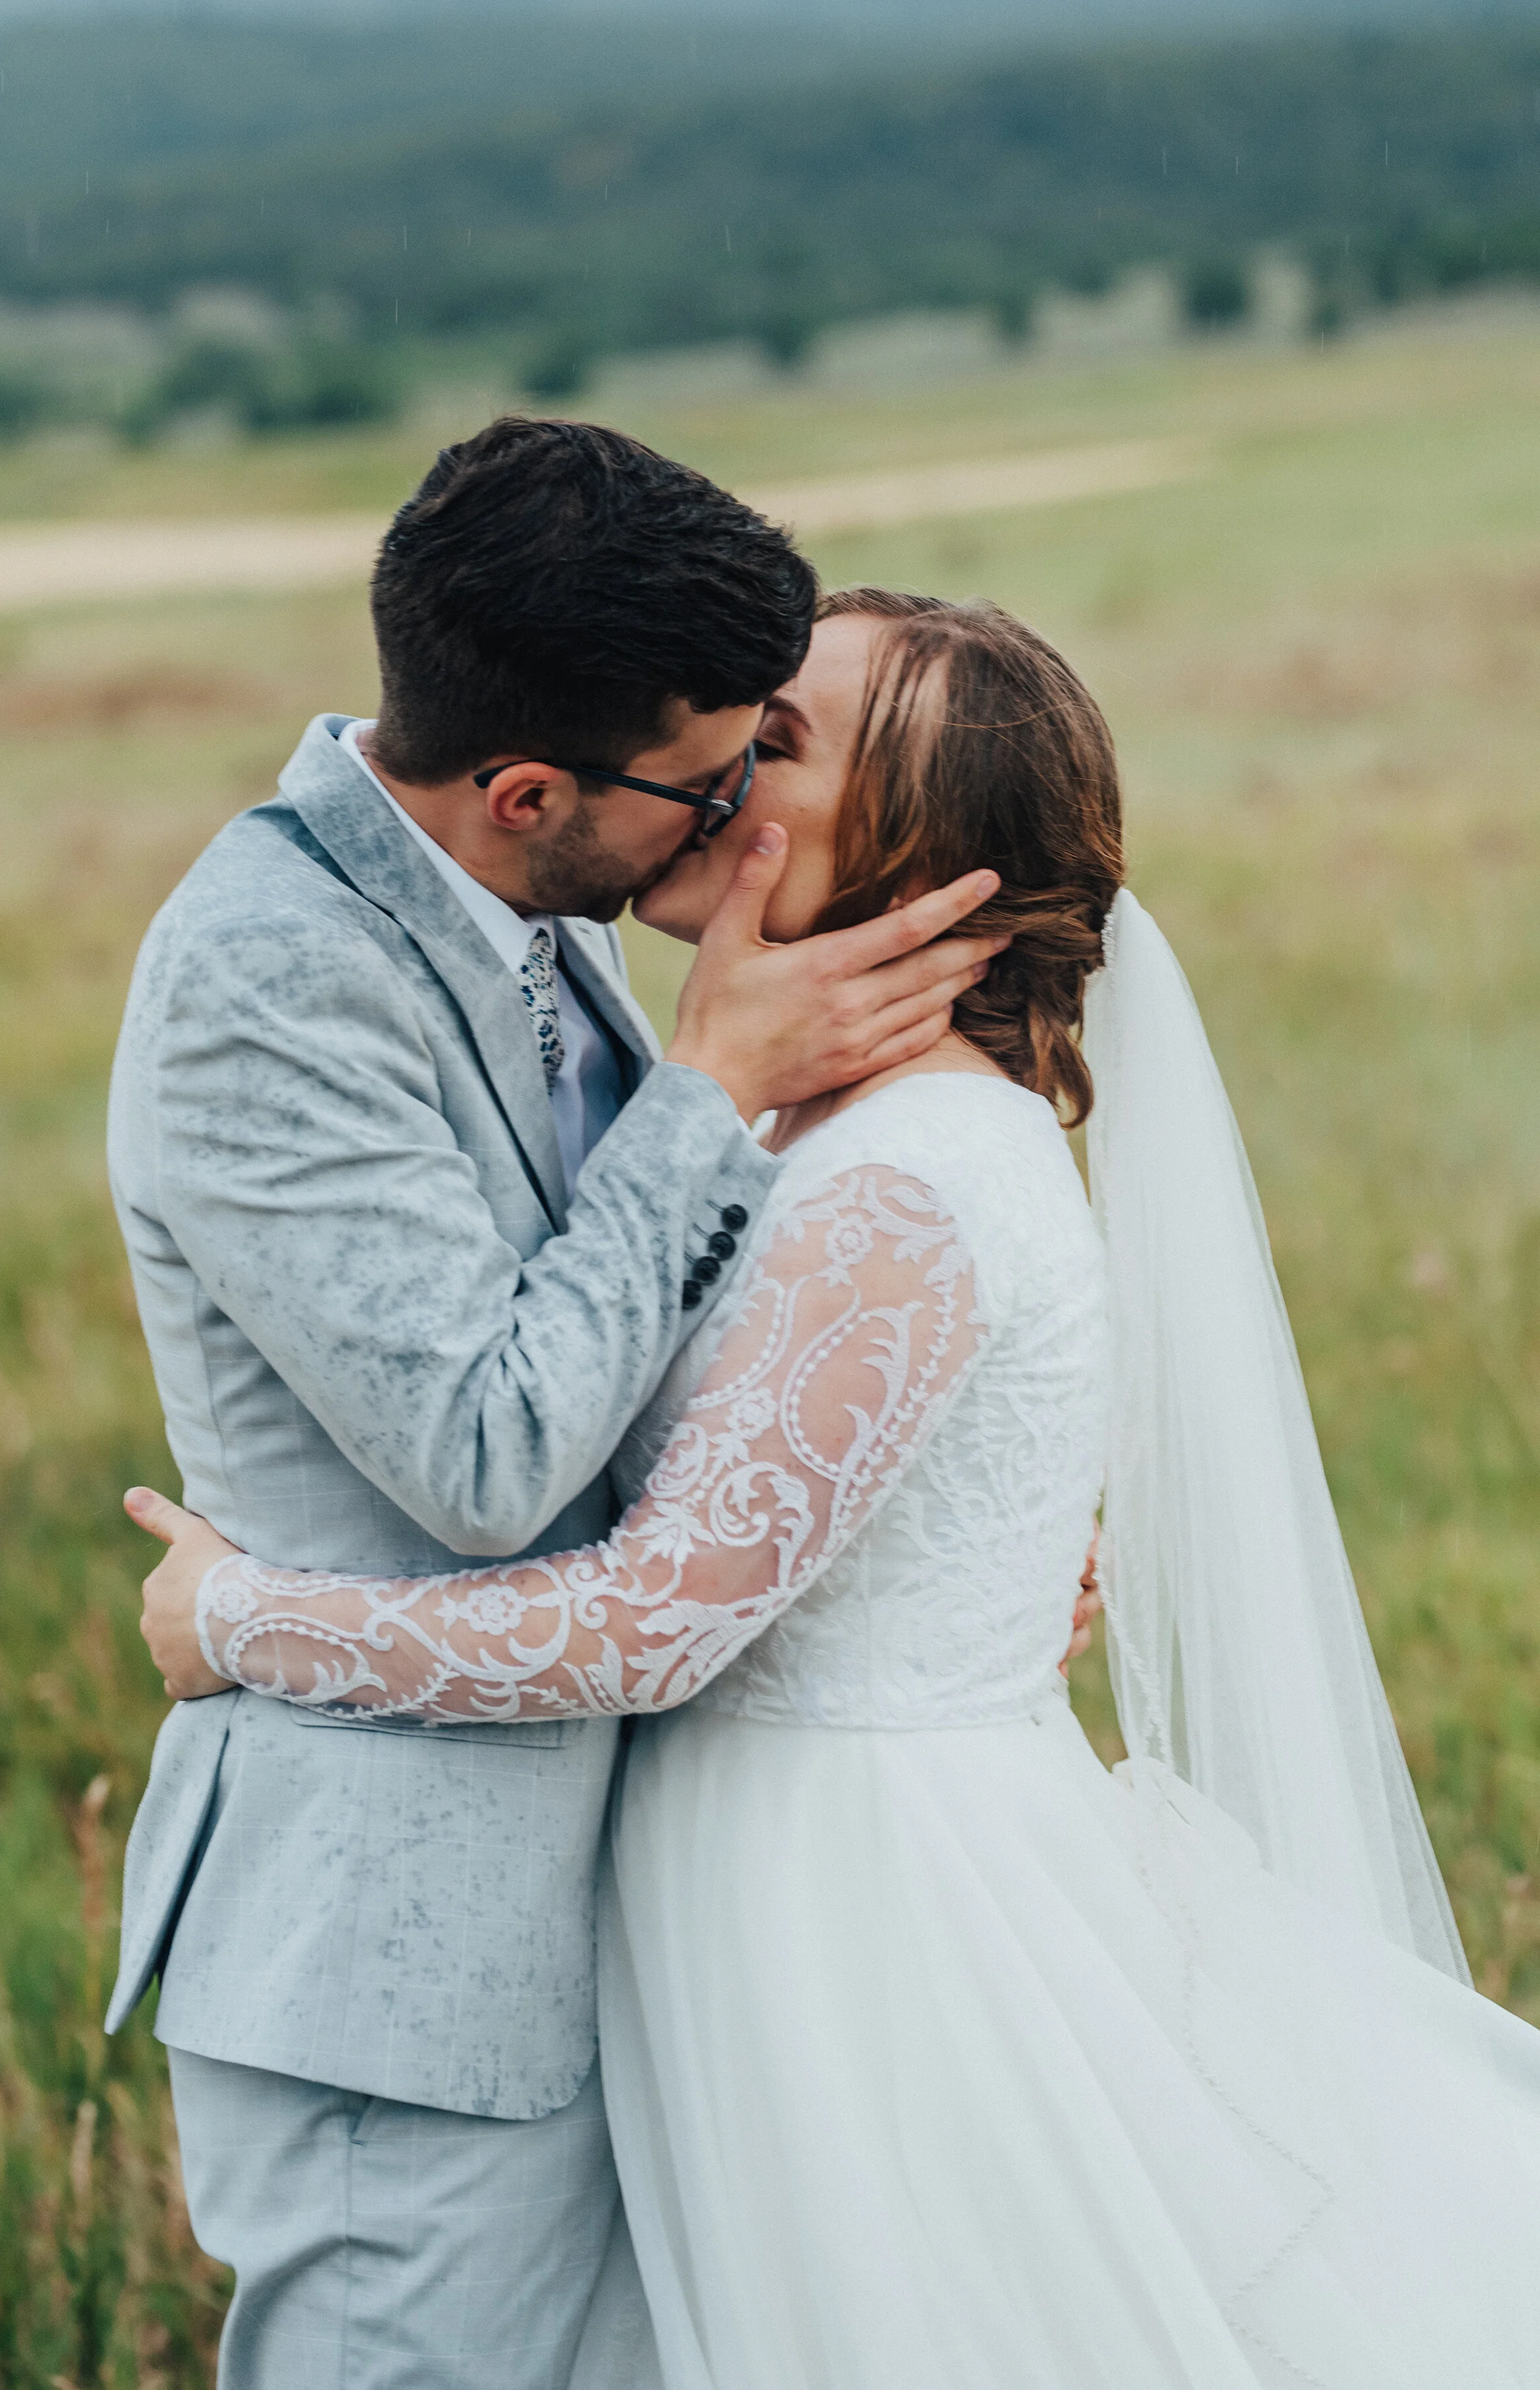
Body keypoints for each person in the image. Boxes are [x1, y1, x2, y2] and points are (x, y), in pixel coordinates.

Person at [132, 586, 1540, 2388]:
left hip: (862, 1914)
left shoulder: (908, 1181)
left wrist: (240, 1614)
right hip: (755, 1884)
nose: (711, 761)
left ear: (922, 864)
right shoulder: (803, 1124)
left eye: (778, 741)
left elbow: (659, 1617)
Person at [104, 427, 1022, 2390]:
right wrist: (710, 1088)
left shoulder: (535, 910)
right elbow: (490, 1461)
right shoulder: (264, 983)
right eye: (710, 779)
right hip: (400, 1973)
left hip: (611, 1918)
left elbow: (653, 1336)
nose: (731, 823)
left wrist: (898, 1518)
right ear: (529, 788)